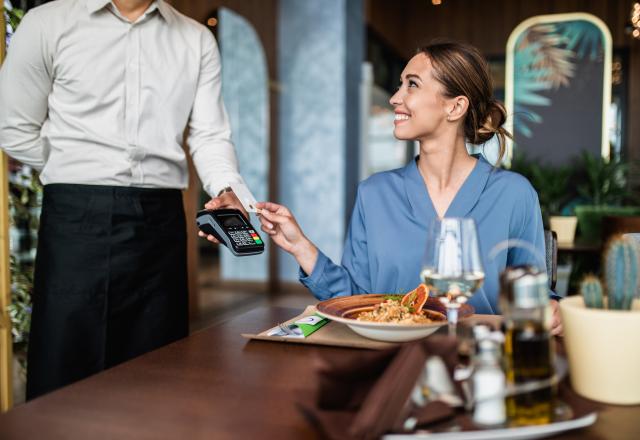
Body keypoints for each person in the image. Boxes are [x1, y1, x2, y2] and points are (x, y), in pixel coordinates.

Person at [0, 0, 246, 399]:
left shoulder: (196, 38)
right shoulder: (46, 23)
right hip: (75, 218)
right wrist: (79, 169)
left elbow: (209, 135)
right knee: (67, 371)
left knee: (157, 372)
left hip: (161, 219)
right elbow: (14, 128)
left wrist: (225, 189)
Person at [255, 41, 563, 335]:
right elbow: (358, 301)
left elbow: (535, 298)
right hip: (387, 362)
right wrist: (300, 247)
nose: (394, 98)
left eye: (412, 84)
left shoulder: (515, 194)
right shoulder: (373, 194)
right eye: (401, 83)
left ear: (455, 107)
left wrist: (552, 310)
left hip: (477, 362)